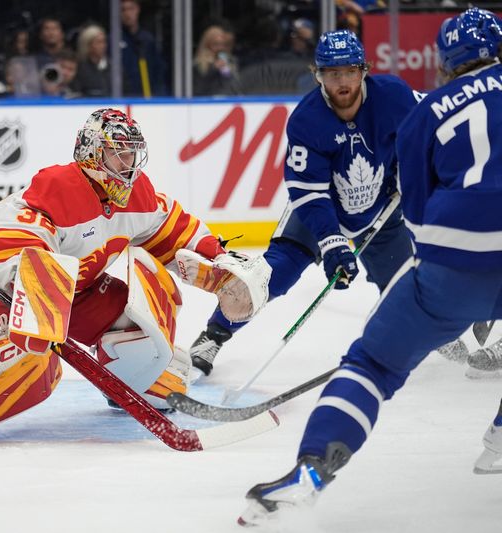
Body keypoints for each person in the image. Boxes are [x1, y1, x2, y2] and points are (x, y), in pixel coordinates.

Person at [237, 9, 502, 527]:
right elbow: (312, 197)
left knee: (371, 365)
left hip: (451, 257)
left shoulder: (425, 112)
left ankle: (311, 469)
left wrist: (462, 282)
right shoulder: (326, 117)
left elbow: (419, 220)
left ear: (444, 64)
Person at [0, 108, 270, 448]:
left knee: (148, 329)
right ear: (91, 154)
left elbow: (177, 232)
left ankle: (124, 380)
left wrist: (220, 268)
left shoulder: (136, 194)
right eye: (117, 153)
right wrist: (41, 312)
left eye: (131, 154)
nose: (127, 164)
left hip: (70, 284)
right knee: (36, 359)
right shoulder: (58, 189)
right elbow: (12, 253)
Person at [189, 30, 418, 377]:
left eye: (350, 72)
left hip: (379, 208)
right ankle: (214, 335)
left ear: (364, 70)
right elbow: (310, 193)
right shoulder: (307, 119)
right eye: (333, 73)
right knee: (271, 276)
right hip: (320, 210)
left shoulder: (395, 96)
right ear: (318, 75)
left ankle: (432, 333)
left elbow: (430, 124)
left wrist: (413, 168)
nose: (343, 82)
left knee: (407, 286)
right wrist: (330, 240)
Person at [120, 0, 167, 96]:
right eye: (123, 10)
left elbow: (158, 70)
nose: (127, 13)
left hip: (146, 96)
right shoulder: (114, 39)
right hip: (122, 96)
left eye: (131, 9)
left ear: (138, 9)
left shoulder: (148, 39)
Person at [192, 24, 240, 96]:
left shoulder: (229, 61)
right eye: (216, 44)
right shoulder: (198, 65)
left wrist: (227, 69)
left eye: (223, 44)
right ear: (207, 45)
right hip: (208, 103)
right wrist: (213, 69)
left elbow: (234, 86)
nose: (220, 48)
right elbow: (198, 89)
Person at [75, 25, 111, 97]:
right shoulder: (79, 67)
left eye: (104, 42)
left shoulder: (114, 67)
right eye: (99, 42)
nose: (103, 46)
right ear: (88, 45)